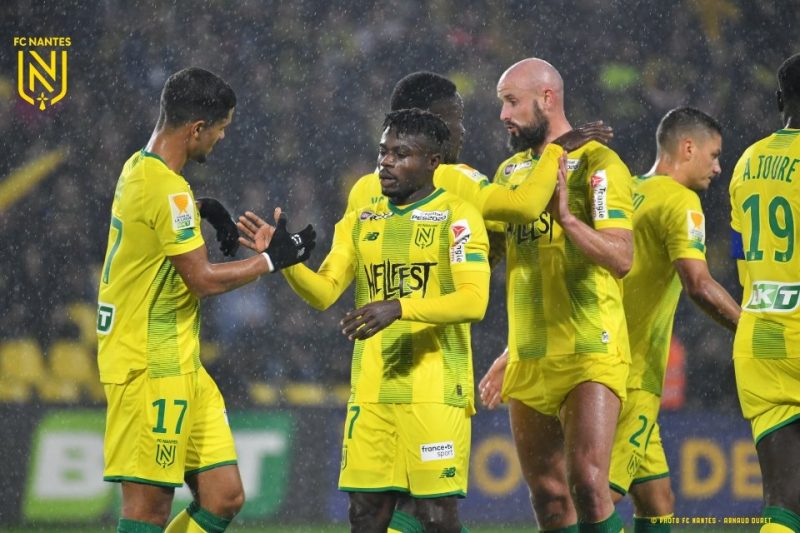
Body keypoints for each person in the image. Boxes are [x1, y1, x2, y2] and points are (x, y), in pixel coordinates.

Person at [346, 70, 612, 533]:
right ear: (431, 122)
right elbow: (524, 206)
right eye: (456, 118)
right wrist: (557, 150)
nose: (464, 130)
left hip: (375, 376)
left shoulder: (368, 187)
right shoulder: (453, 176)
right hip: (434, 375)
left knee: (393, 508)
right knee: (433, 512)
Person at [483, 107, 742, 531]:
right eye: (713, 155)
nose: (717, 167)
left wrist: (512, 350)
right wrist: (751, 329)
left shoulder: (625, 191)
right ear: (687, 148)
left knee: (657, 498)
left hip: (594, 356)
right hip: (629, 376)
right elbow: (698, 284)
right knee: (594, 494)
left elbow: (577, 283)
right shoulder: (681, 201)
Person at [241, 108, 491, 532]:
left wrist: (400, 307)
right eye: (383, 152)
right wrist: (283, 261)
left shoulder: (458, 216)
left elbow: (474, 301)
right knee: (365, 516)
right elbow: (324, 292)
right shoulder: (362, 218)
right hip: (371, 393)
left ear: (433, 161)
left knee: (436, 517)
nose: (386, 162)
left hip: (434, 392)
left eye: (401, 154)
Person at [97, 67, 315, 533]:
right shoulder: (167, 189)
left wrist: (205, 209)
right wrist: (271, 260)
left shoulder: (140, 168)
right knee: (147, 512)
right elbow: (202, 280)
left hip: (181, 362)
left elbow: (155, 220)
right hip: (148, 364)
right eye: (220, 128)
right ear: (197, 128)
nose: (221, 138)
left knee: (223, 497)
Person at [479, 57, 634, 533]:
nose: (503, 114)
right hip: (530, 353)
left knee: (587, 482)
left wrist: (567, 220)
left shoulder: (599, 164)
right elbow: (491, 257)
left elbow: (621, 257)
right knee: (548, 499)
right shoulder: (509, 173)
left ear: (547, 99)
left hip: (589, 350)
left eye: (512, 102)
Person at [729, 53, 800, 533]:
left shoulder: (747, 162)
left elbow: (741, 260)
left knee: (783, 502)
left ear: (779, 100)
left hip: (761, 339)